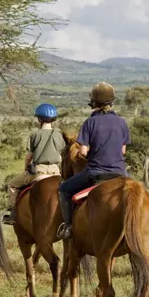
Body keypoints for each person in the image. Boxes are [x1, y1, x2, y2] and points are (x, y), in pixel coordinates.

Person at [57, 82, 130, 239]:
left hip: (96, 173)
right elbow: (123, 150)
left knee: (64, 190)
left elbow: (82, 151)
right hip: (120, 174)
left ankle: (68, 226)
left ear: (94, 103)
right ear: (111, 102)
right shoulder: (122, 122)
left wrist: (94, 154)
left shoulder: (90, 122)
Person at [3, 103, 66, 225]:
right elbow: (61, 155)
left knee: (12, 184)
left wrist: (26, 168)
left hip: (39, 171)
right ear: (53, 119)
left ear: (39, 119)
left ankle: (12, 212)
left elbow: (28, 156)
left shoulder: (34, 135)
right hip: (56, 172)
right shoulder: (58, 135)